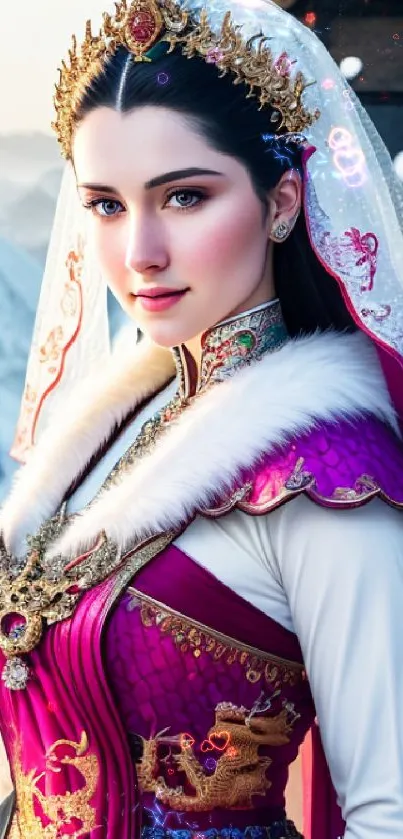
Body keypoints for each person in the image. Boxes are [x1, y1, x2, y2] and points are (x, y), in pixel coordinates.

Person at [0, 0, 403, 837]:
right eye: (106, 205)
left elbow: (388, 809)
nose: (139, 250)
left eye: (183, 197)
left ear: (283, 202)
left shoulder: (327, 472)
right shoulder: (111, 423)